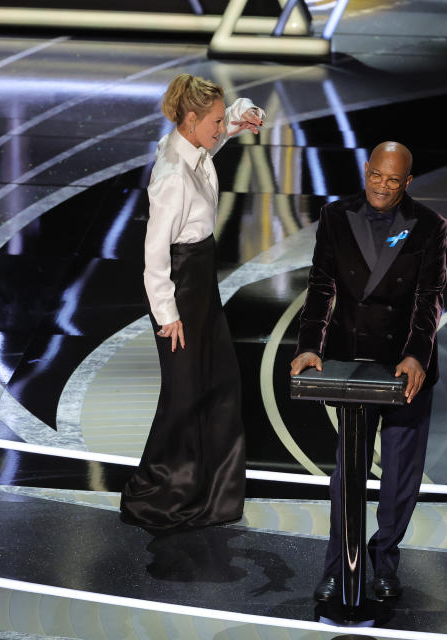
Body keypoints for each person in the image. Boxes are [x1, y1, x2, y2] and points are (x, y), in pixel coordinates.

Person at [290, 141, 447, 601]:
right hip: (353, 361)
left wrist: (416, 354)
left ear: (408, 181)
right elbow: (320, 286)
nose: (382, 185)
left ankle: (385, 560)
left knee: (400, 473)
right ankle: (338, 565)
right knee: (348, 470)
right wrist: (308, 346)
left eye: (393, 179)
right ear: (366, 170)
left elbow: (429, 296)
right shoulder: (336, 217)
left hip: (404, 365)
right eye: (376, 175)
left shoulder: (429, 226)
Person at [120, 73, 265, 533]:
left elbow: (214, 144)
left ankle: (212, 489)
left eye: (222, 121)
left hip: (202, 282)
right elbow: (154, 255)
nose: (220, 129)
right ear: (190, 120)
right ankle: (165, 490)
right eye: (216, 122)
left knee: (219, 381)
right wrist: (168, 316)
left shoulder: (192, 147)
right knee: (184, 395)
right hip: (181, 288)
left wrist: (241, 115)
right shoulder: (172, 179)